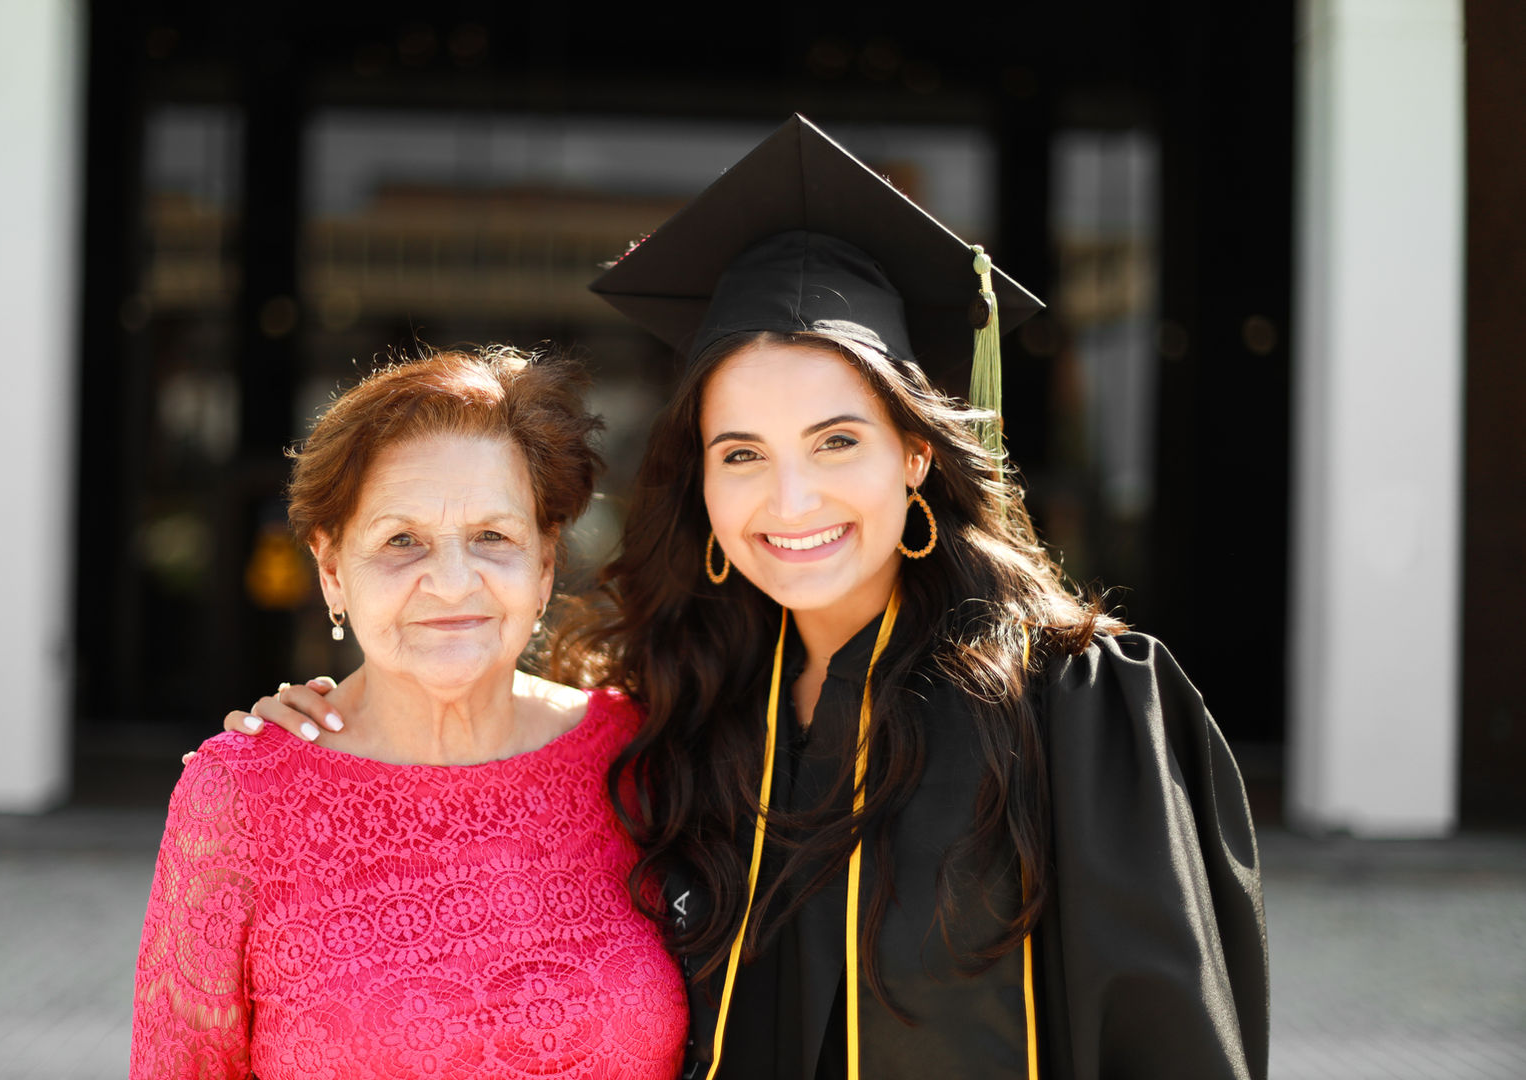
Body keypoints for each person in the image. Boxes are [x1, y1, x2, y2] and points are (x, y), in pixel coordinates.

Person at [237, 117, 1268, 1079]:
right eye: (742, 454)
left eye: (837, 441)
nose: (790, 499)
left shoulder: (1073, 709)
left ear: (917, 453)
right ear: (702, 484)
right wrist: (322, 734)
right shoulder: (691, 716)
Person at [132, 346, 687, 1080]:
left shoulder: (644, 756)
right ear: (332, 569)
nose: (453, 584)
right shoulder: (241, 794)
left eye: (493, 537)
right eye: (402, 541)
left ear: (546, 564)